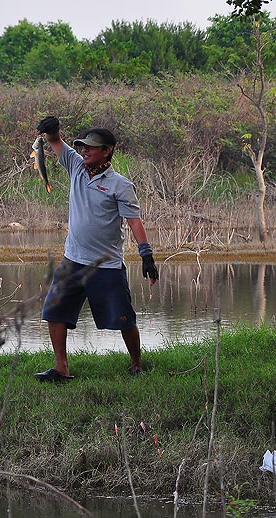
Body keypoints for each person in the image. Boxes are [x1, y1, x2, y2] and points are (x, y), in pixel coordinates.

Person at [33, 116, 159, 382]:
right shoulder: (76, 167)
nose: (85, 150)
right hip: (73, 261)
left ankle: (136, 363)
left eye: (91, 147)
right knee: (54, 312)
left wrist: (146, 254)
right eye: (83, 146)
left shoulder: (120, 185)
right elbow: (54, 141)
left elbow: (134, 220)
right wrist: (51, 130)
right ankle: (60, 367)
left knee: (124, 318)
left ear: (107, 151)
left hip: (106, 265)